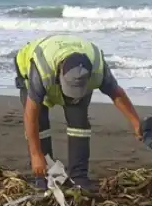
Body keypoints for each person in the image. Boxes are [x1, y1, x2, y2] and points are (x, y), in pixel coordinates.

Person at [14, 34, 143, 190]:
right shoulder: (42, 69)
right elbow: (30, 116)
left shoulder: (98, 69)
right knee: (40, 123)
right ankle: (43, 176)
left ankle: (79, 176)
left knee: (79, 123)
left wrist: (136, 122)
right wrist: (36, 155)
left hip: (70, 72)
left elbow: (116, 94)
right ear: (60, 73)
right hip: (29, 70)